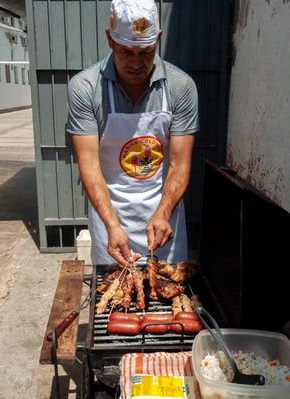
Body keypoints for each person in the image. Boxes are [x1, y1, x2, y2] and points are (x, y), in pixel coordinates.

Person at [67, 0, 199, 266]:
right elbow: (90, 165)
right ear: (109, 39)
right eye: (126, 51)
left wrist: (163, 212)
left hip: (164, 217)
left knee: (169, 294)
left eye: (146, 52)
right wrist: (112, 226)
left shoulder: (180, 86)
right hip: (111, 217)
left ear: (158, 39)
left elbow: (179, 163)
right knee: (115, 293)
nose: (137, 63)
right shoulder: (86, 87)